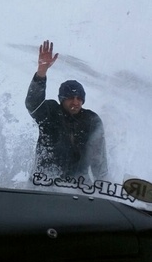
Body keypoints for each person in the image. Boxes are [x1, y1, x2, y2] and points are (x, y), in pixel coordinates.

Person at [25, 40, 108, 182]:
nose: (75, 102)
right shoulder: (50, 112)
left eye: (79, 98)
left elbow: (98, 155)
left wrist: (103, 184)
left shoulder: (91, 119)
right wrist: (41, 72)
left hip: (79, 184)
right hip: (44, 182)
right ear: (62, 99)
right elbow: (33, 103)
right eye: (70, 98)